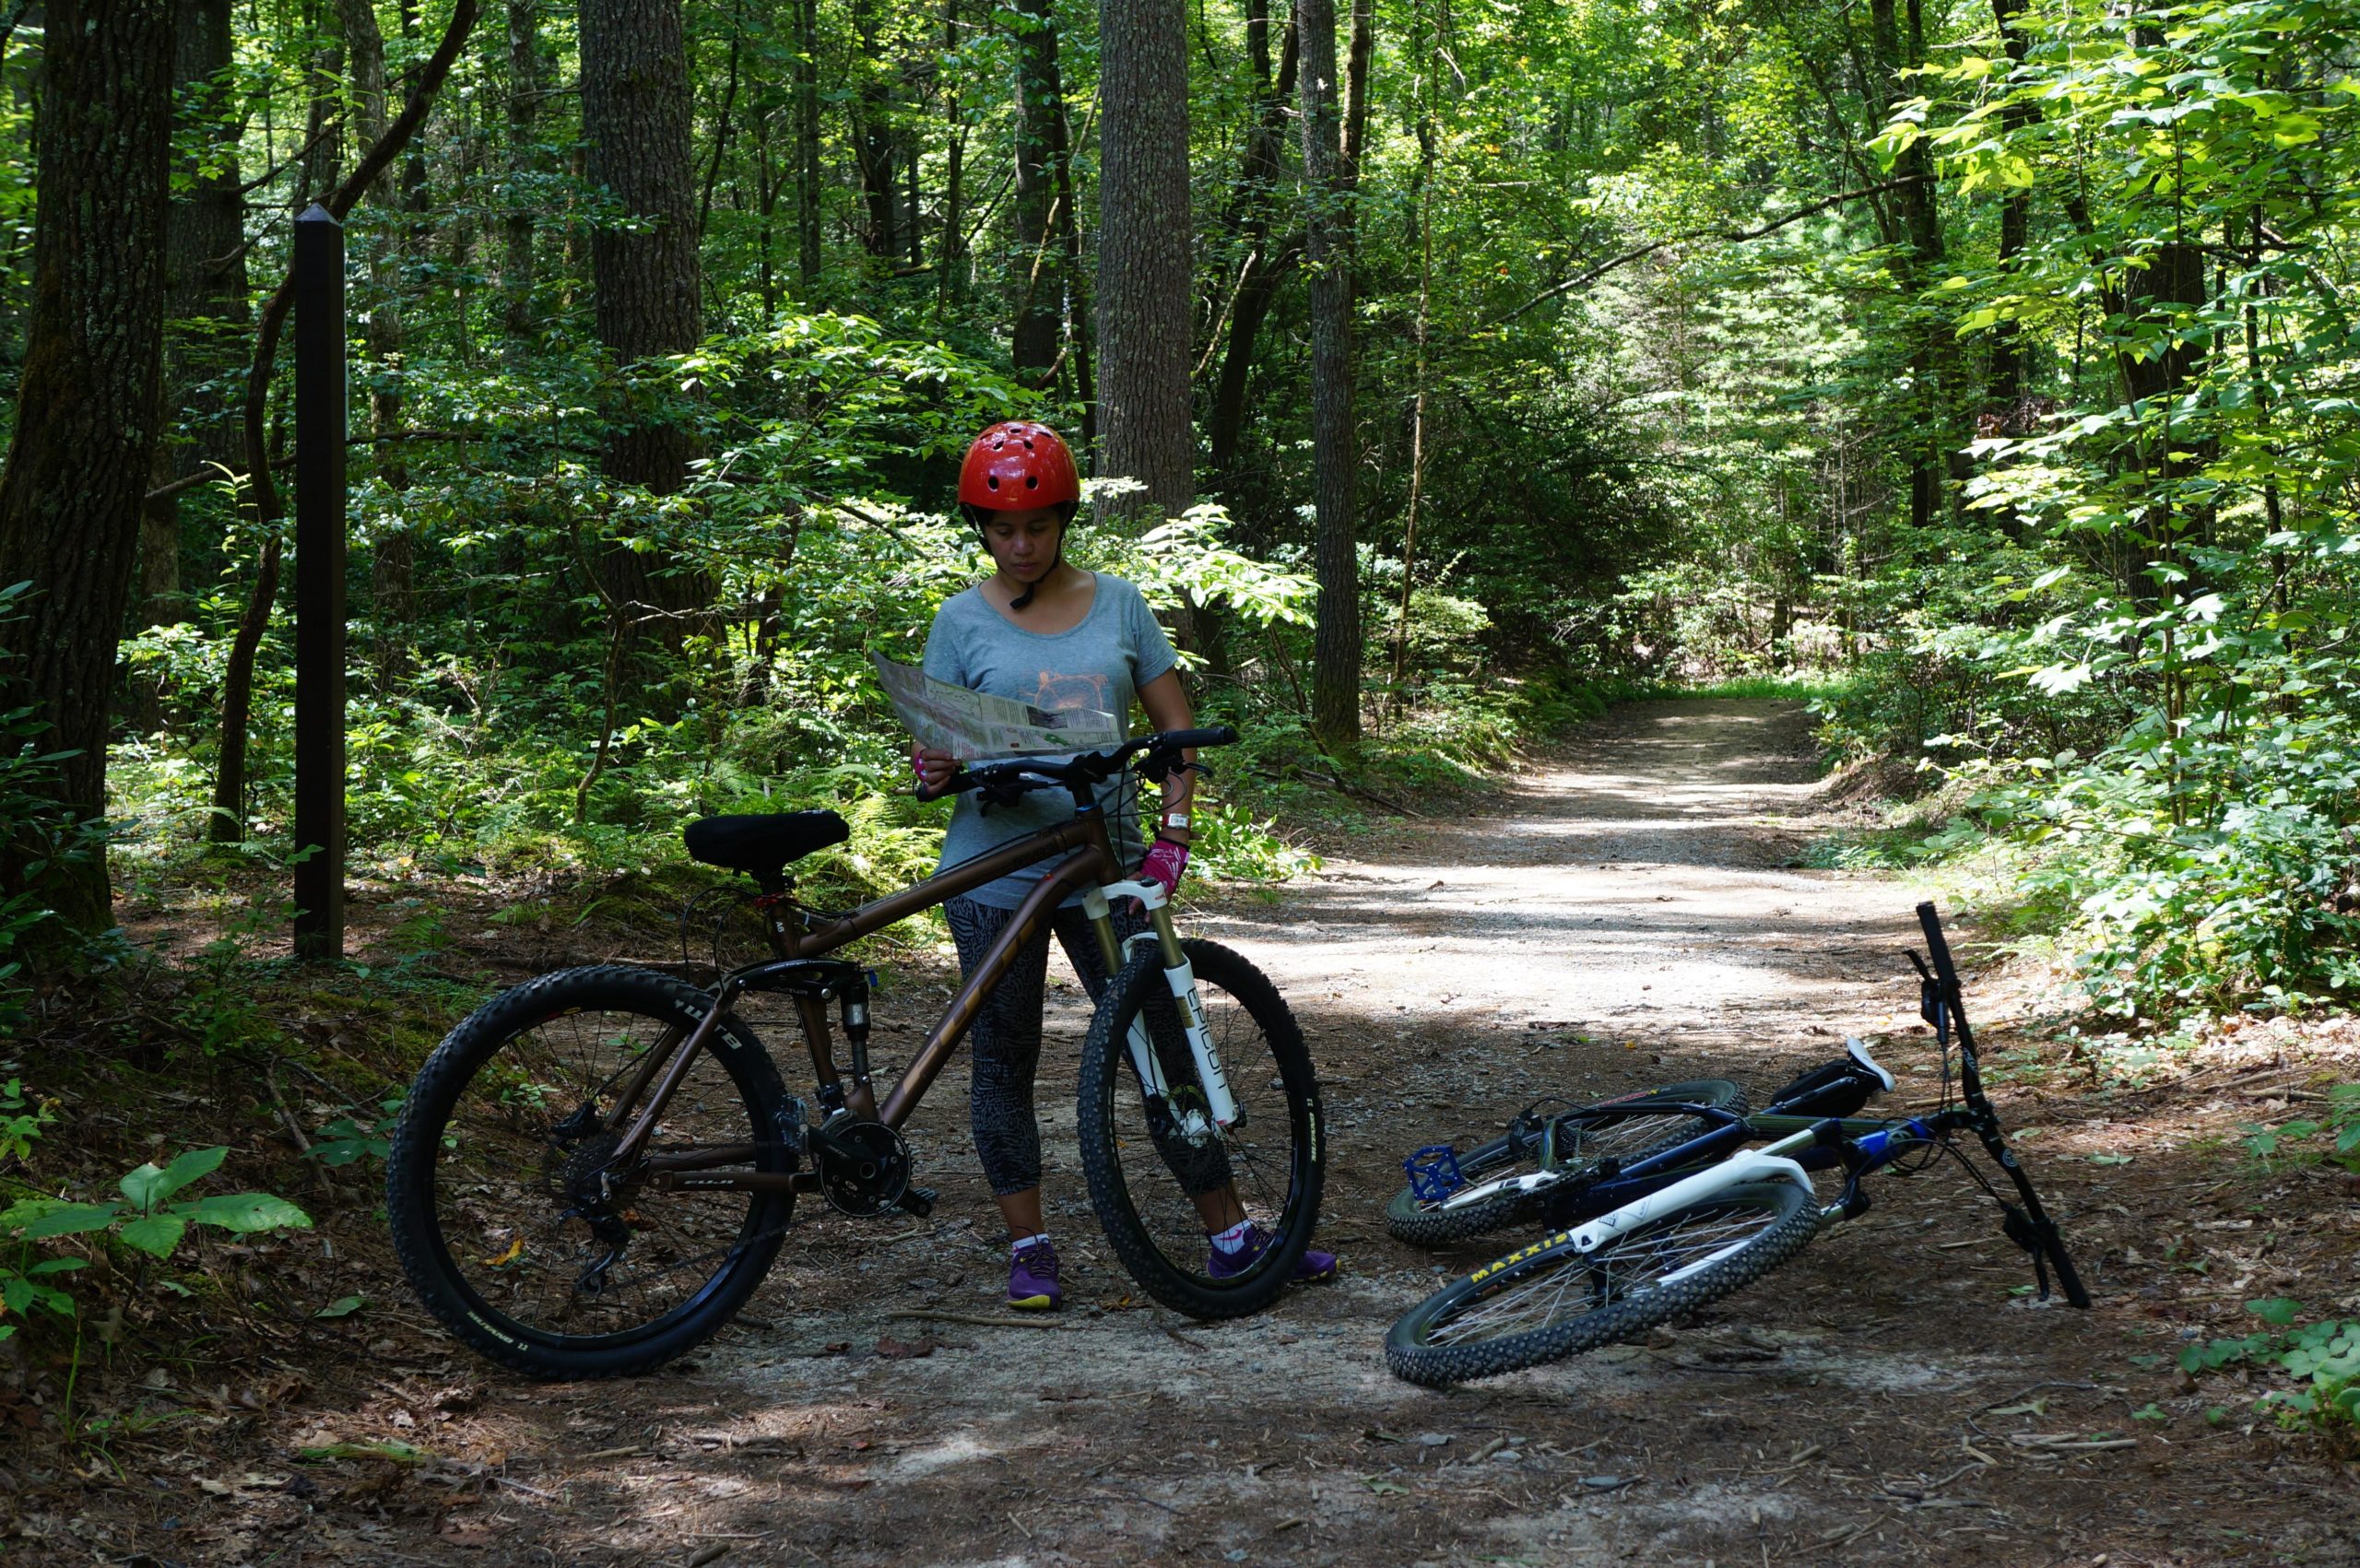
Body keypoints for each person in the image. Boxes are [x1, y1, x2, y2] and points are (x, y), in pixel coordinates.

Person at [911, 419, 1337, 1311]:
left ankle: (1231, 1235)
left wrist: (1175, 836)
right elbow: (933, 748)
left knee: (1161, 1043)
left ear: (1065, 519)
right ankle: (1028, 1246)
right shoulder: (958, 621)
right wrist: (934, 763)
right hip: (996, 870)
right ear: (979, 528)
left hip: (1107, 864)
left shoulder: (1120, 605)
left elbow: (1177, 737)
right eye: (1000, 528)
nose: (1019, 545)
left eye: (1035, 526)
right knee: (1004, 1055)